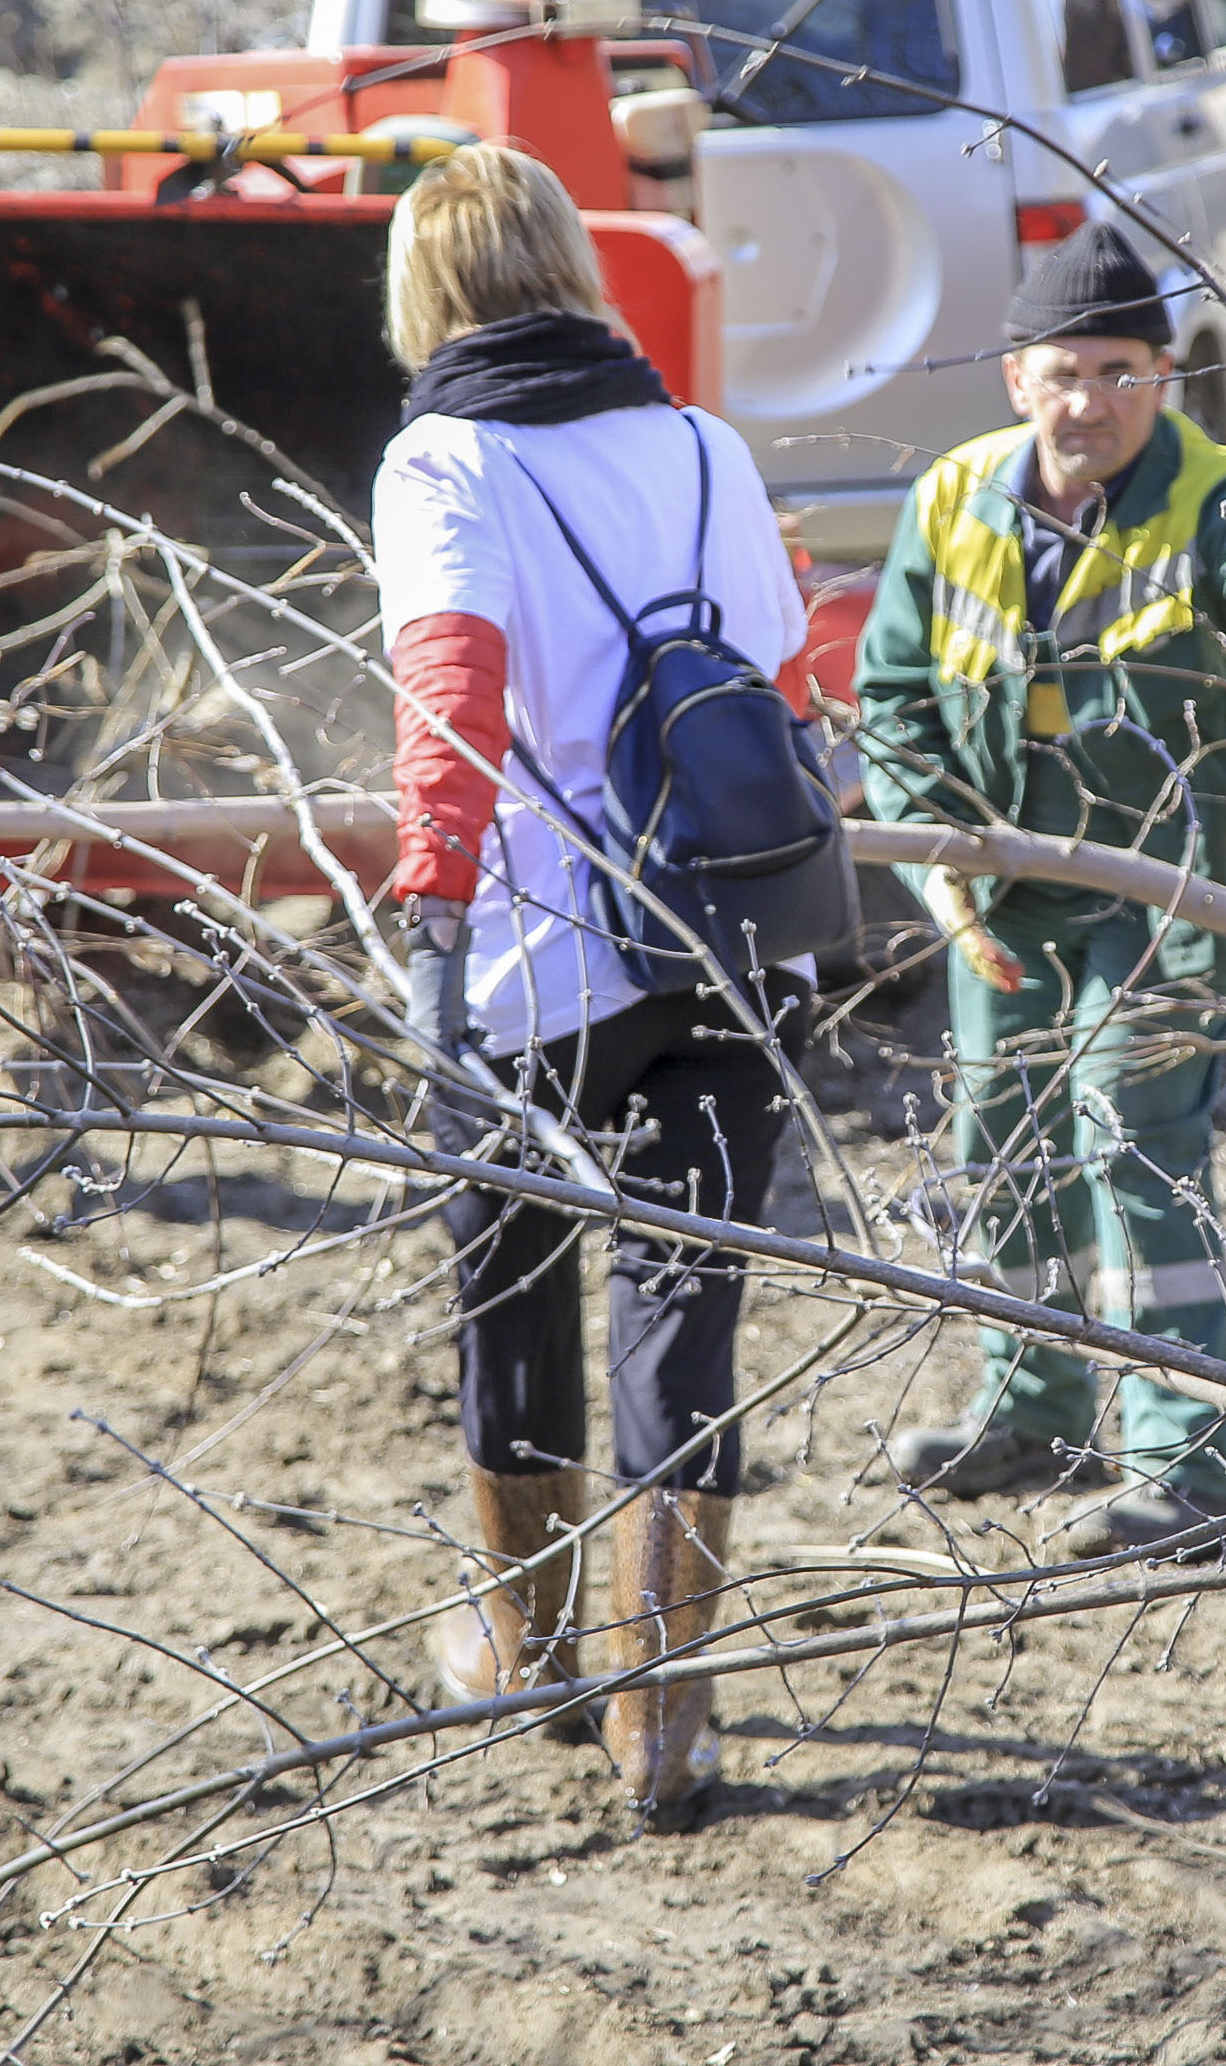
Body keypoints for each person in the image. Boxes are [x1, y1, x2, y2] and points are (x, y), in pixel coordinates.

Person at [854, 221, 1226, 1555]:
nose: (1091, 403)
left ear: (1164, 376)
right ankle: (1030, 1403)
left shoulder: (1214, 494)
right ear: (1017, 379)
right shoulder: (954, 499)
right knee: (1000, 1137)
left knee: (1131, 1139)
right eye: (1065, 375)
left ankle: (1186, 1471)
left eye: (1120, 374)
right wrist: (935, 864)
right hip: (1006, 881)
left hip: (1173, 892)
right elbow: (895, 696)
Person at [371, 143, 811, 1833]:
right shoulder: (705, 445)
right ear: (570, 261)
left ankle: (535, 1648)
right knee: (687, 1307)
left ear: (425, 292)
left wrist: (430, 922)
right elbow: (780, 679)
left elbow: (451, 697)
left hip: (537, 958)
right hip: (735, 934)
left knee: (512, 1286)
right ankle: (665, 1722)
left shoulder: (445, 461)